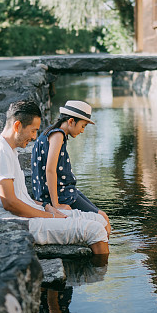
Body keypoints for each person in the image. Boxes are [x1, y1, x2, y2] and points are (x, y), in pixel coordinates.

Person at [0, 99, 109, 254]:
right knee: (95, 231)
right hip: (14, 222)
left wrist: (46, 206)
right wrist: (50, 216)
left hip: (30, 213)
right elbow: (10, 204)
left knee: (99, 219)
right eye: (33, 131)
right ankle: (99, 273)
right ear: (17, 126)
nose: (35, 137)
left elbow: (19, 198)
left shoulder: (9, 150)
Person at [31, 100, 110, 235]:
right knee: (103, 218)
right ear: (71, 121)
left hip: (67, 190)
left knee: (102, 215)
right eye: (83, 126)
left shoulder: (51, 131)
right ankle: (103, 252)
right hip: (62, 194)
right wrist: (55, 205)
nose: (83, 131)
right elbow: (50, 170)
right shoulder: (58, 135)